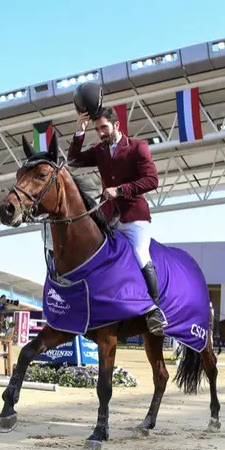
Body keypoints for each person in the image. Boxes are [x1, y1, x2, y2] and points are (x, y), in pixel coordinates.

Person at [68, 107, 165, 335]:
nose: (100, 133)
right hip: (109, 216)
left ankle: (154, 310)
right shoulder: (99, 150)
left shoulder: (137, 146)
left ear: (116, 125)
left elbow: (152, 180)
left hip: (135, 216)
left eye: (104, 128)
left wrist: (121, 190)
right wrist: (79, 132)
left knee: (141, 254)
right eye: (97, 129)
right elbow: (73, 160)